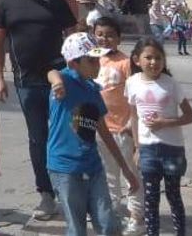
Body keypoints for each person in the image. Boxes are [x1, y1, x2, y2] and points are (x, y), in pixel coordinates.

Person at [0, 0, 78, 221]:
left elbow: (72, 37)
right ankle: (46, 194)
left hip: (60, 78)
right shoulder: (6, 4)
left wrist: (77, 73)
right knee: (37, 138)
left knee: (68, 134)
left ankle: (72, 191)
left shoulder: (56, 1)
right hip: (26, 81)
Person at [48, 33, 140, 236]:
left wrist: (126, 169)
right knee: (76, 227)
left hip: (93, 166)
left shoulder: (92, 90)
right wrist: (57, 83)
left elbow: (104, 133)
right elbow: (52, 72)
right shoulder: (64, 81)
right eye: (91, 60)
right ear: (74, 64)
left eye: (98, 58)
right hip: (65, 168)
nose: (97, 63)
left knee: (108, 224)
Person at [127, 37, 192, 236]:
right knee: (151, 198)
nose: (153, 62)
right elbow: (134, 116)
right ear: (136, 60)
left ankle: (180, 232)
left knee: (174, 196)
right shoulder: (132, 83)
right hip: (147, 149)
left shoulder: (171, 84)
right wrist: (137, 148)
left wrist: (164, 123)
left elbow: (190, 116)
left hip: (172, 149)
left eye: (158, 58)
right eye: (148, 57)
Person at [93, 15, 143, 234]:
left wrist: (132, 124)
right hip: (100, 128)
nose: (105, 39)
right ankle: (113, 212)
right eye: (100, 34)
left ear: (119, 39)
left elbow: (136, 97)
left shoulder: (125, 62)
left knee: (131, 173)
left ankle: (136, 217)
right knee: (108, 174)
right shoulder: (92, 59)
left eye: (110, 35)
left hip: (123, 128)